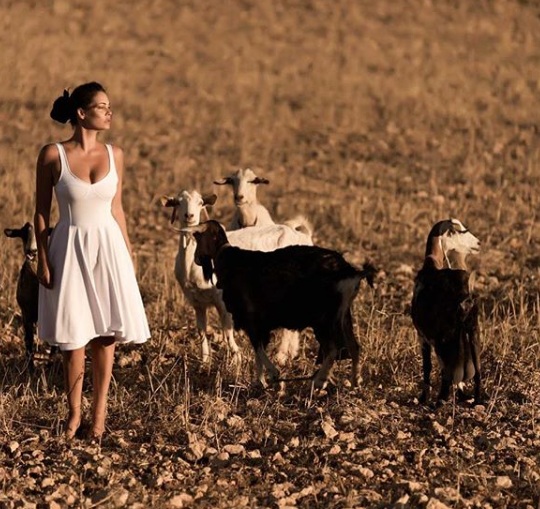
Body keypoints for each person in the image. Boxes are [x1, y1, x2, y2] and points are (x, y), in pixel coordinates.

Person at [34, 82, 150, 440]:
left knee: (106, 335)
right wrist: (41, 257)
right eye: (102, 107)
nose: (109, 112)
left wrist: (128, 254)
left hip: (108, 248)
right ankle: (74, 415)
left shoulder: (116, 154)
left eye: (109, 106)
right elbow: (40, 212)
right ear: (81, 113)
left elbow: (117, 209)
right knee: (74, 337)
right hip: (68, 247)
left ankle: (98, 418)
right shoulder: (52, 155)